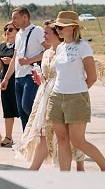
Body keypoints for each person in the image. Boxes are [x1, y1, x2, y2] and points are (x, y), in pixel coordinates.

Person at [47, 11, 105, 172]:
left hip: (76, 97)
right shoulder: (61, 47)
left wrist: (78, 93)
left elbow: (92, 77)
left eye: (60, 27)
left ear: (72, 27)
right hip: (56, 97)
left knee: (78, 141)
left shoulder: (83, 47)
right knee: (62, 139)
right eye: (56, 27)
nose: (58, 30)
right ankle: (65, 176)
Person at [12, 23, 86, 171]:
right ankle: (35, 168)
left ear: (57, 34)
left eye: (46, 33)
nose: (43, 36)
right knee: (44, 132)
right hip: (45, 95)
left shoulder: (67, 51)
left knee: (71, 135)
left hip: (62, 95)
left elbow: (78, 73)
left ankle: (80, 164)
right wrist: (41, 79)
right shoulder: (46, 53)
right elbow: (47, 75)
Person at [11, 6, 43, 128]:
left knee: (27, 106)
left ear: (25, 17)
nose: (13, 21)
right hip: (18, 77)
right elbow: (15, 57)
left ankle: (39, 130)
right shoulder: (18, 34)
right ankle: (27, 142)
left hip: (31, 75)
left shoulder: (37, 31)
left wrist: (29, 60)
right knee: (22, 112)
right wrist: (7, 78)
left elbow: (48, 50)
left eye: (15, 18)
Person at [0, 23, 18, 147]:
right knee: (7, 110)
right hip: (5, 81)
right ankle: (8, 137)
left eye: (10, 29)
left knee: (23, 110)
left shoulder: (20, 46)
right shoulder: (2, 46)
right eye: (5, 29)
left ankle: (28, 137)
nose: (7, 31)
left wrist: (13, 62)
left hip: (17, 80)